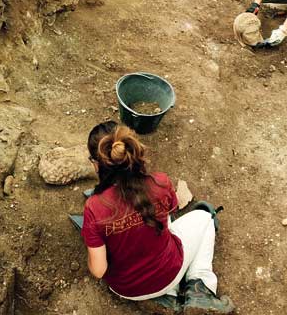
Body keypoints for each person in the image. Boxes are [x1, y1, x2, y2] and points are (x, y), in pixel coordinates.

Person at [81, 121, 235, 314]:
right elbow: (169, 214)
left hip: (126, 289)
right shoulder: (160, 183)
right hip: (168, 273)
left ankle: (169, 296)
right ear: (133, 151)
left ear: (96, 164)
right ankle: (199, 288)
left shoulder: (94, 208)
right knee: (205, 215)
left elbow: (98, 270)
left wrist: (93, 242)